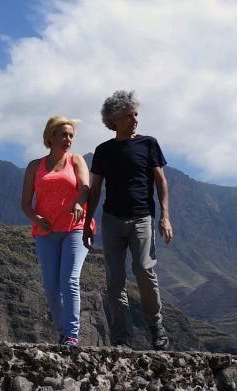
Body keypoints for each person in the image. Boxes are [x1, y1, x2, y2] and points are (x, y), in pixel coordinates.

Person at [83, 90, 173, 351]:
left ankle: (156, 327)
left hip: (142, 217)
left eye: (135, 115)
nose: (134, 120)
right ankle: (122, 338)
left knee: (144, 269)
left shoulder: (148, 144)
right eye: (128, 116)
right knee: (115, 279)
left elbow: (161, 182)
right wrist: (88, 222)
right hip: (112, 220)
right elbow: (95, 189)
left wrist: (165, 217)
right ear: (114, 120)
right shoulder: (103, 151)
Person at [21, 116, 95, 346]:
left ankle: (71, 335)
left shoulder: (76, 160)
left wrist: (78, 203)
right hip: (46, 231)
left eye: (71, 135)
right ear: (50, 137)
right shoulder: (35, 166)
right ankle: (63, 331)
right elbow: (25, 204)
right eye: (63, 135)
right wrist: (37, 218)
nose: (68, 139)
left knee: (69, 279)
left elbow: (85, 188)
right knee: (52, 287)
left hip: (75, 227)